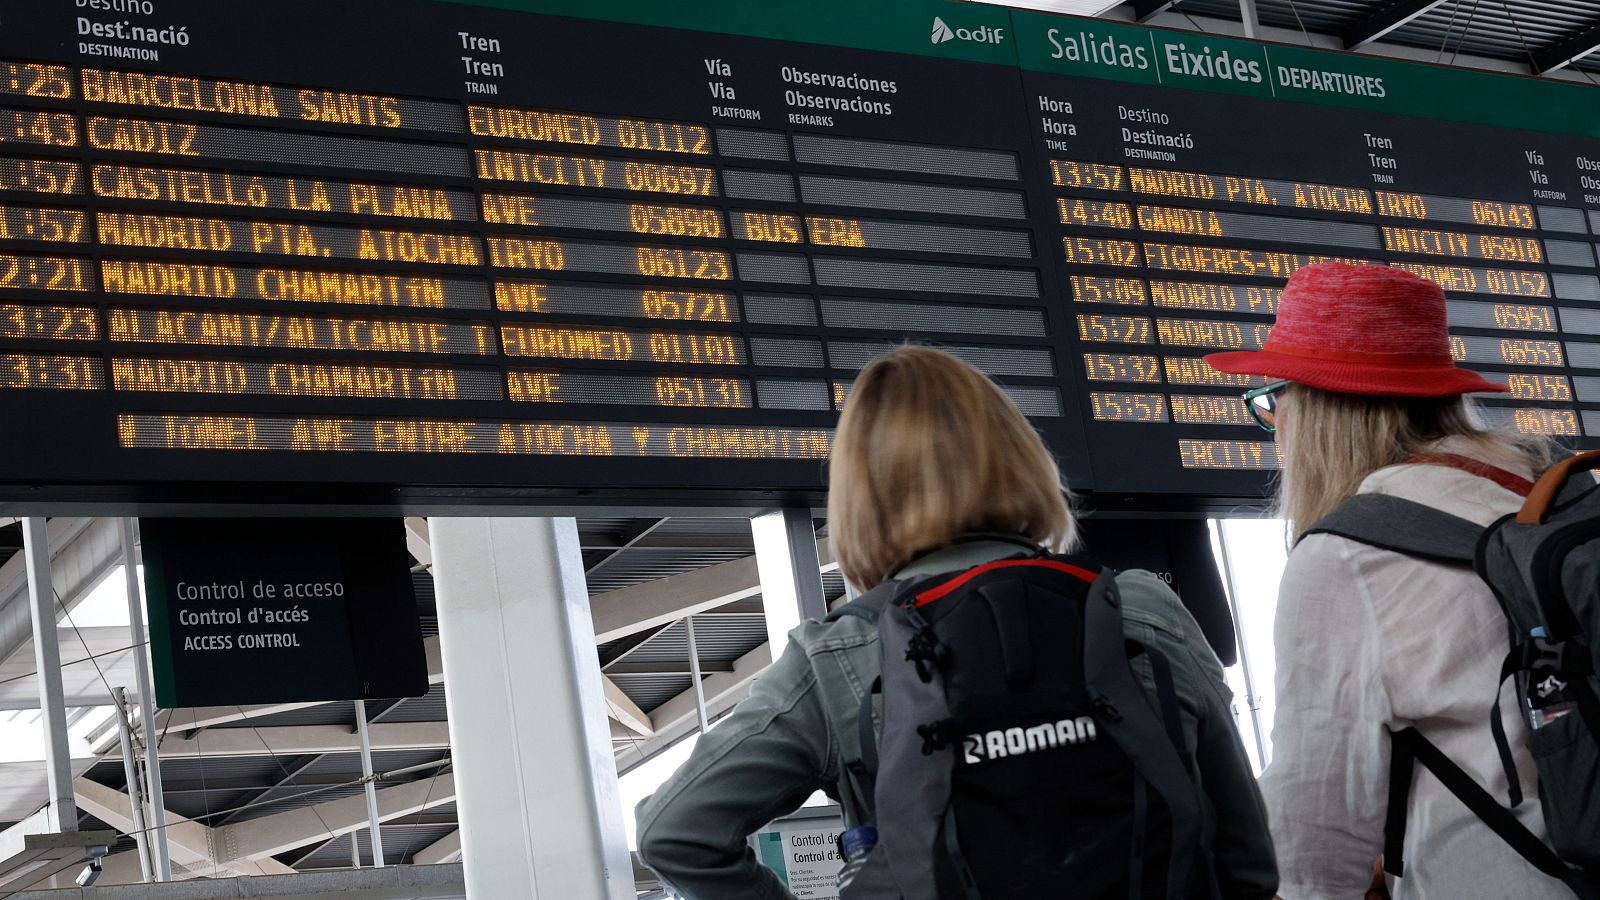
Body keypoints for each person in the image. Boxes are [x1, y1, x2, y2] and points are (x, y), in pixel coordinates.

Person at [636, 345, 1277, 899]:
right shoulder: (1141, 609)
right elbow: (1249, 862)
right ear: (1022, 457)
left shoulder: (840, 660)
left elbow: (674, 833)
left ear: (860, 497)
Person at [1204, 262, 1572, 899]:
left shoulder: (1347, 557)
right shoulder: (1558, 485)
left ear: (1315, 410)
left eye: (1273, 401)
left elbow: (1313, 854)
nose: (1276, 435)